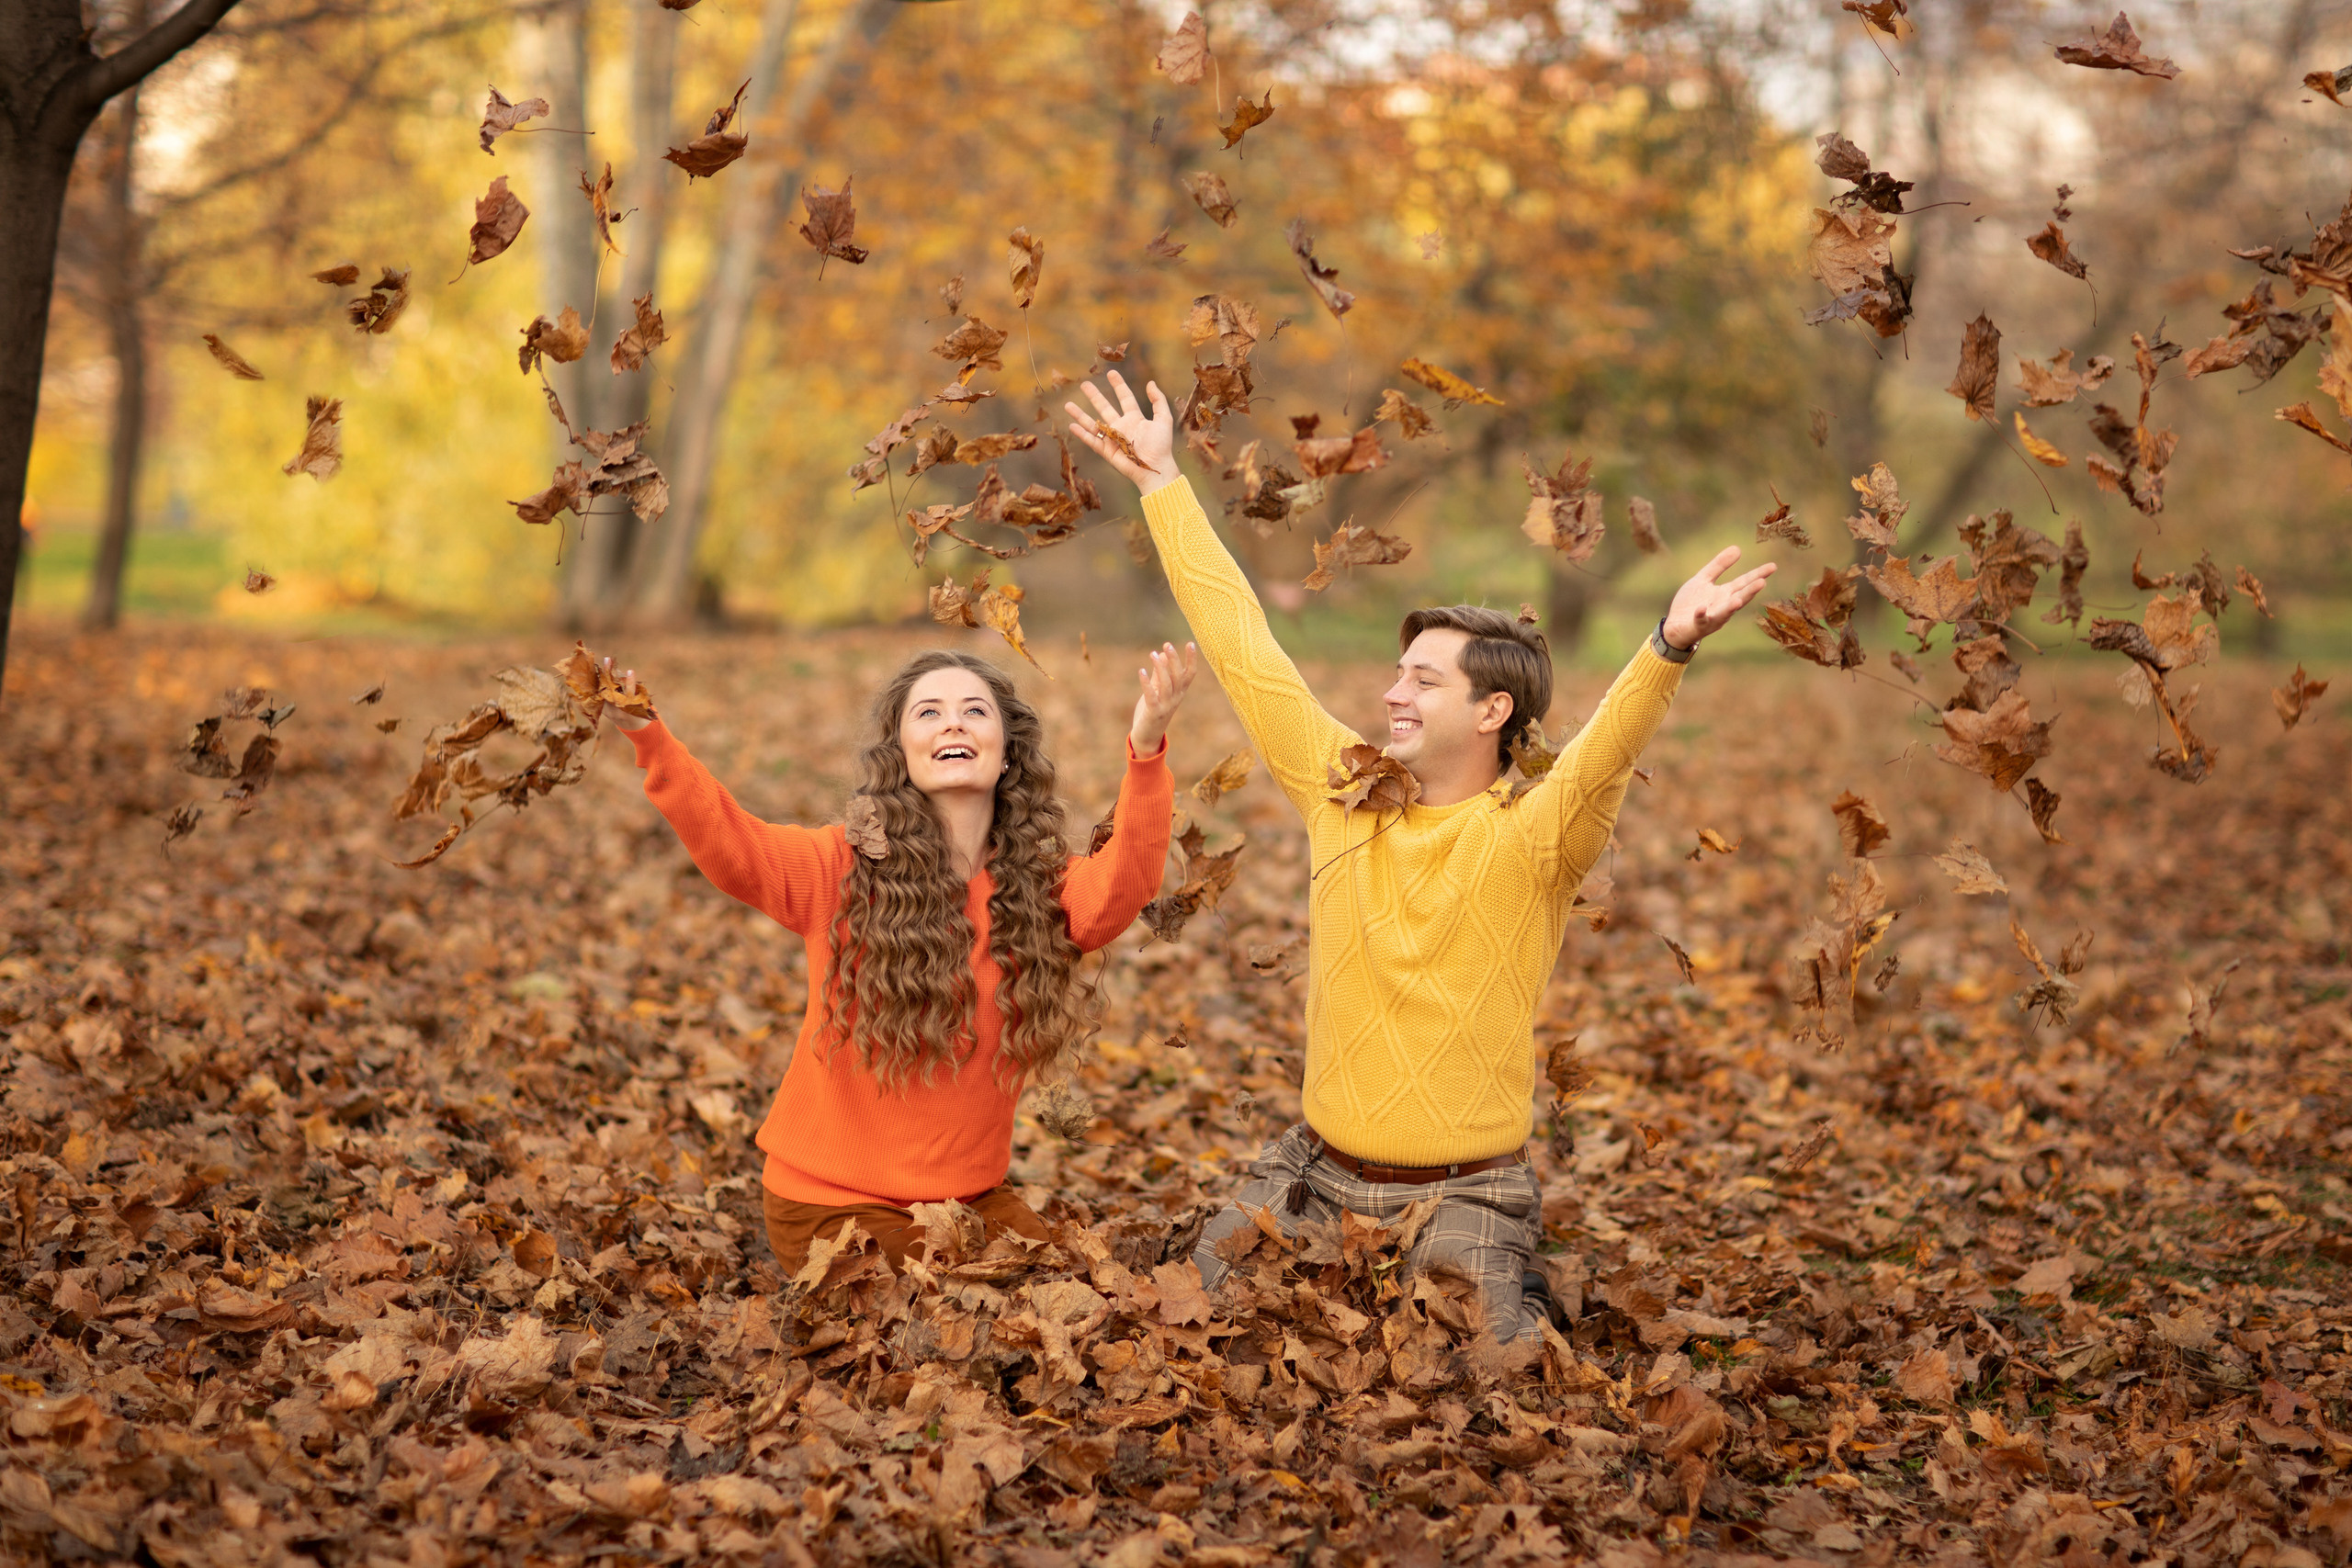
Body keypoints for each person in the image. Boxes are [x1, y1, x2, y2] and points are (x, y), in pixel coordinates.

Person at [1066, 372, 1774, 1341]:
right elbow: (1245, 649)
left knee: (1492, 1378)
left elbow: (1604, 758)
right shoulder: (1340, 794)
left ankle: (1511, 1286)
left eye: (1423, 680)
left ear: (1492, 712)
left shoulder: (1533, 837)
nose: (1393, 693)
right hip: (1310, 1173)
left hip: (1466, 1190)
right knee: (1179, 1322)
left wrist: (1665, 646)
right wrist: (1161, 485)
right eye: (1398, 672)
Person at [599, 642, 1198, 1275]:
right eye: (929, 713)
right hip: (830, 1205)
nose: (953, 723)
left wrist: (1148, 745)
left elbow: (1125, 883)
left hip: (967, 1200)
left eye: (974, 710)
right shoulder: (844, 866)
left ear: (1007, 752)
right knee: (971, 1311)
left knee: (1068, 1288)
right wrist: (649, 736)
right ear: (902, 752)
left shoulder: (1039, 885)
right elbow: (734, 844)